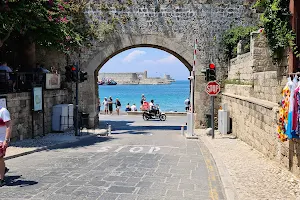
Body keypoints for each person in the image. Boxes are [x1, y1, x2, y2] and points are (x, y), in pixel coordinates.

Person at [0, 106, 12, 186]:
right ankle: (3, 169)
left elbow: (9, 126)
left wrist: (6, 140)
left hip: (1, 140)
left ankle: (1, 179)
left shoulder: (3, 111)